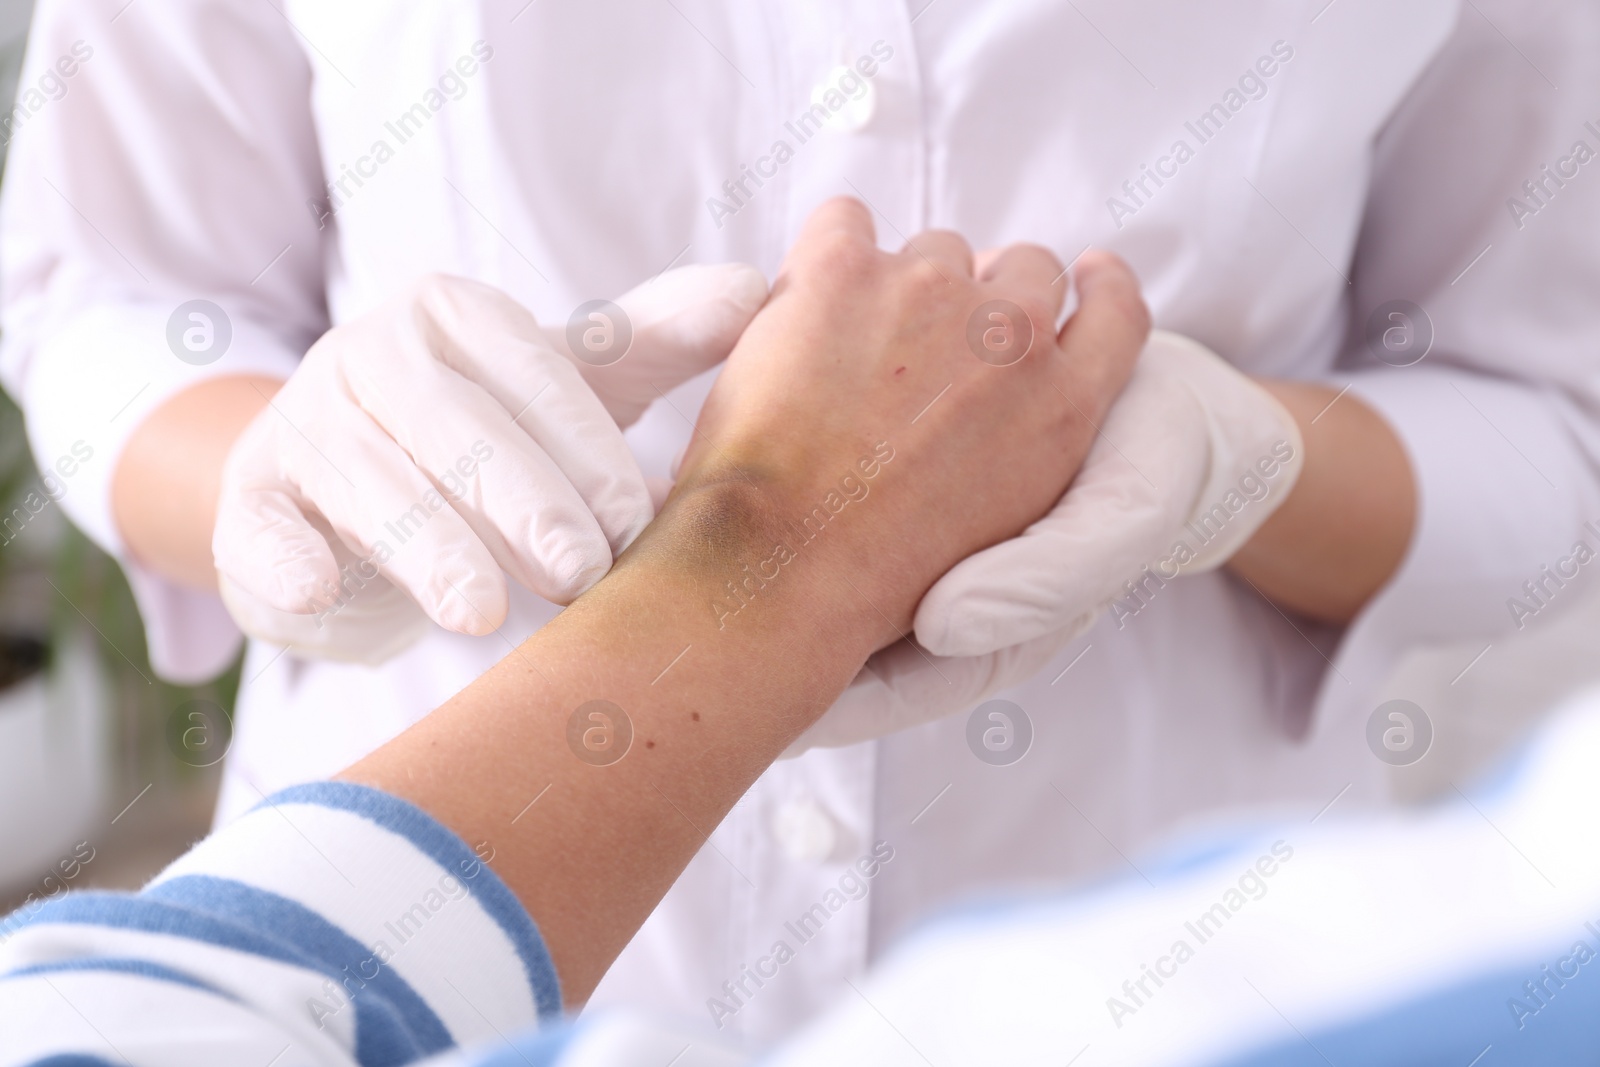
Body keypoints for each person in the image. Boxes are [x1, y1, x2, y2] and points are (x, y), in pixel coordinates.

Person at [5, 0, 1600, 1042]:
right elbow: (113, 297)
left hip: (1172, 967)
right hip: (397, 929)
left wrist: (1245, 462)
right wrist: (288, 477)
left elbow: (1556, 431)